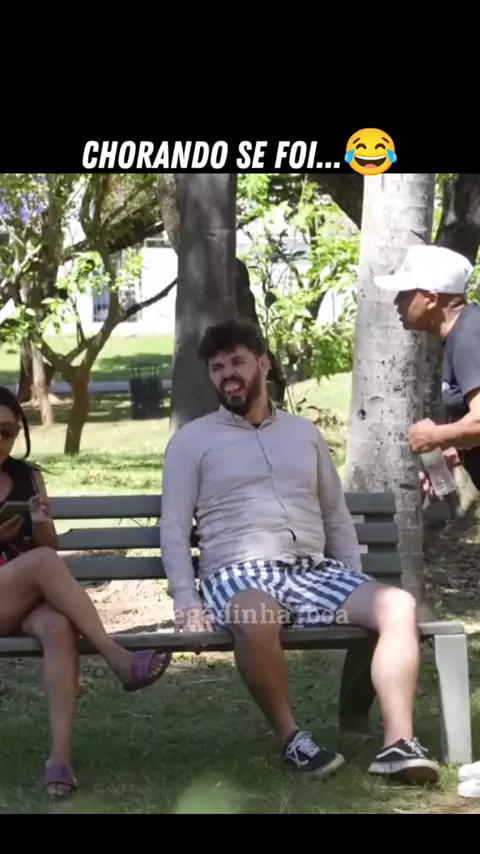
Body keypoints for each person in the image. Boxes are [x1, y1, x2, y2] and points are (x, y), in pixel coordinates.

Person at [160, 319, 440, 785]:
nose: (228, 375)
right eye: (217, 368)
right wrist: (188, 604)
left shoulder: (303, 434)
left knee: (398, 606)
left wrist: (352, 580)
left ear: (263, 365)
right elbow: (173, 528)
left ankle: (398, 745)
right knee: (254, 616)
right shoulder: (192, 441)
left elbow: (335, 516)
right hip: (237, 573)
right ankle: (291, 738)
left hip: (312, 571)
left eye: (237, 362)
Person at [0, 386, 171, 799]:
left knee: (58, 625)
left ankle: (60, 760)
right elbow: (44, 560)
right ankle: (117, 657)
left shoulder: (27, 477)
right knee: (42, 563)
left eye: (6, 433)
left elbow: (48, 546)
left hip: (21, 598)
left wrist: (41, 523)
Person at [372, 245, 477, 493]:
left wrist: (435, 436)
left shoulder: (468, 337)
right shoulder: (466, 331)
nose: (397, 301)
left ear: (431, 299)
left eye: (405, 293)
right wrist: (458, 452)